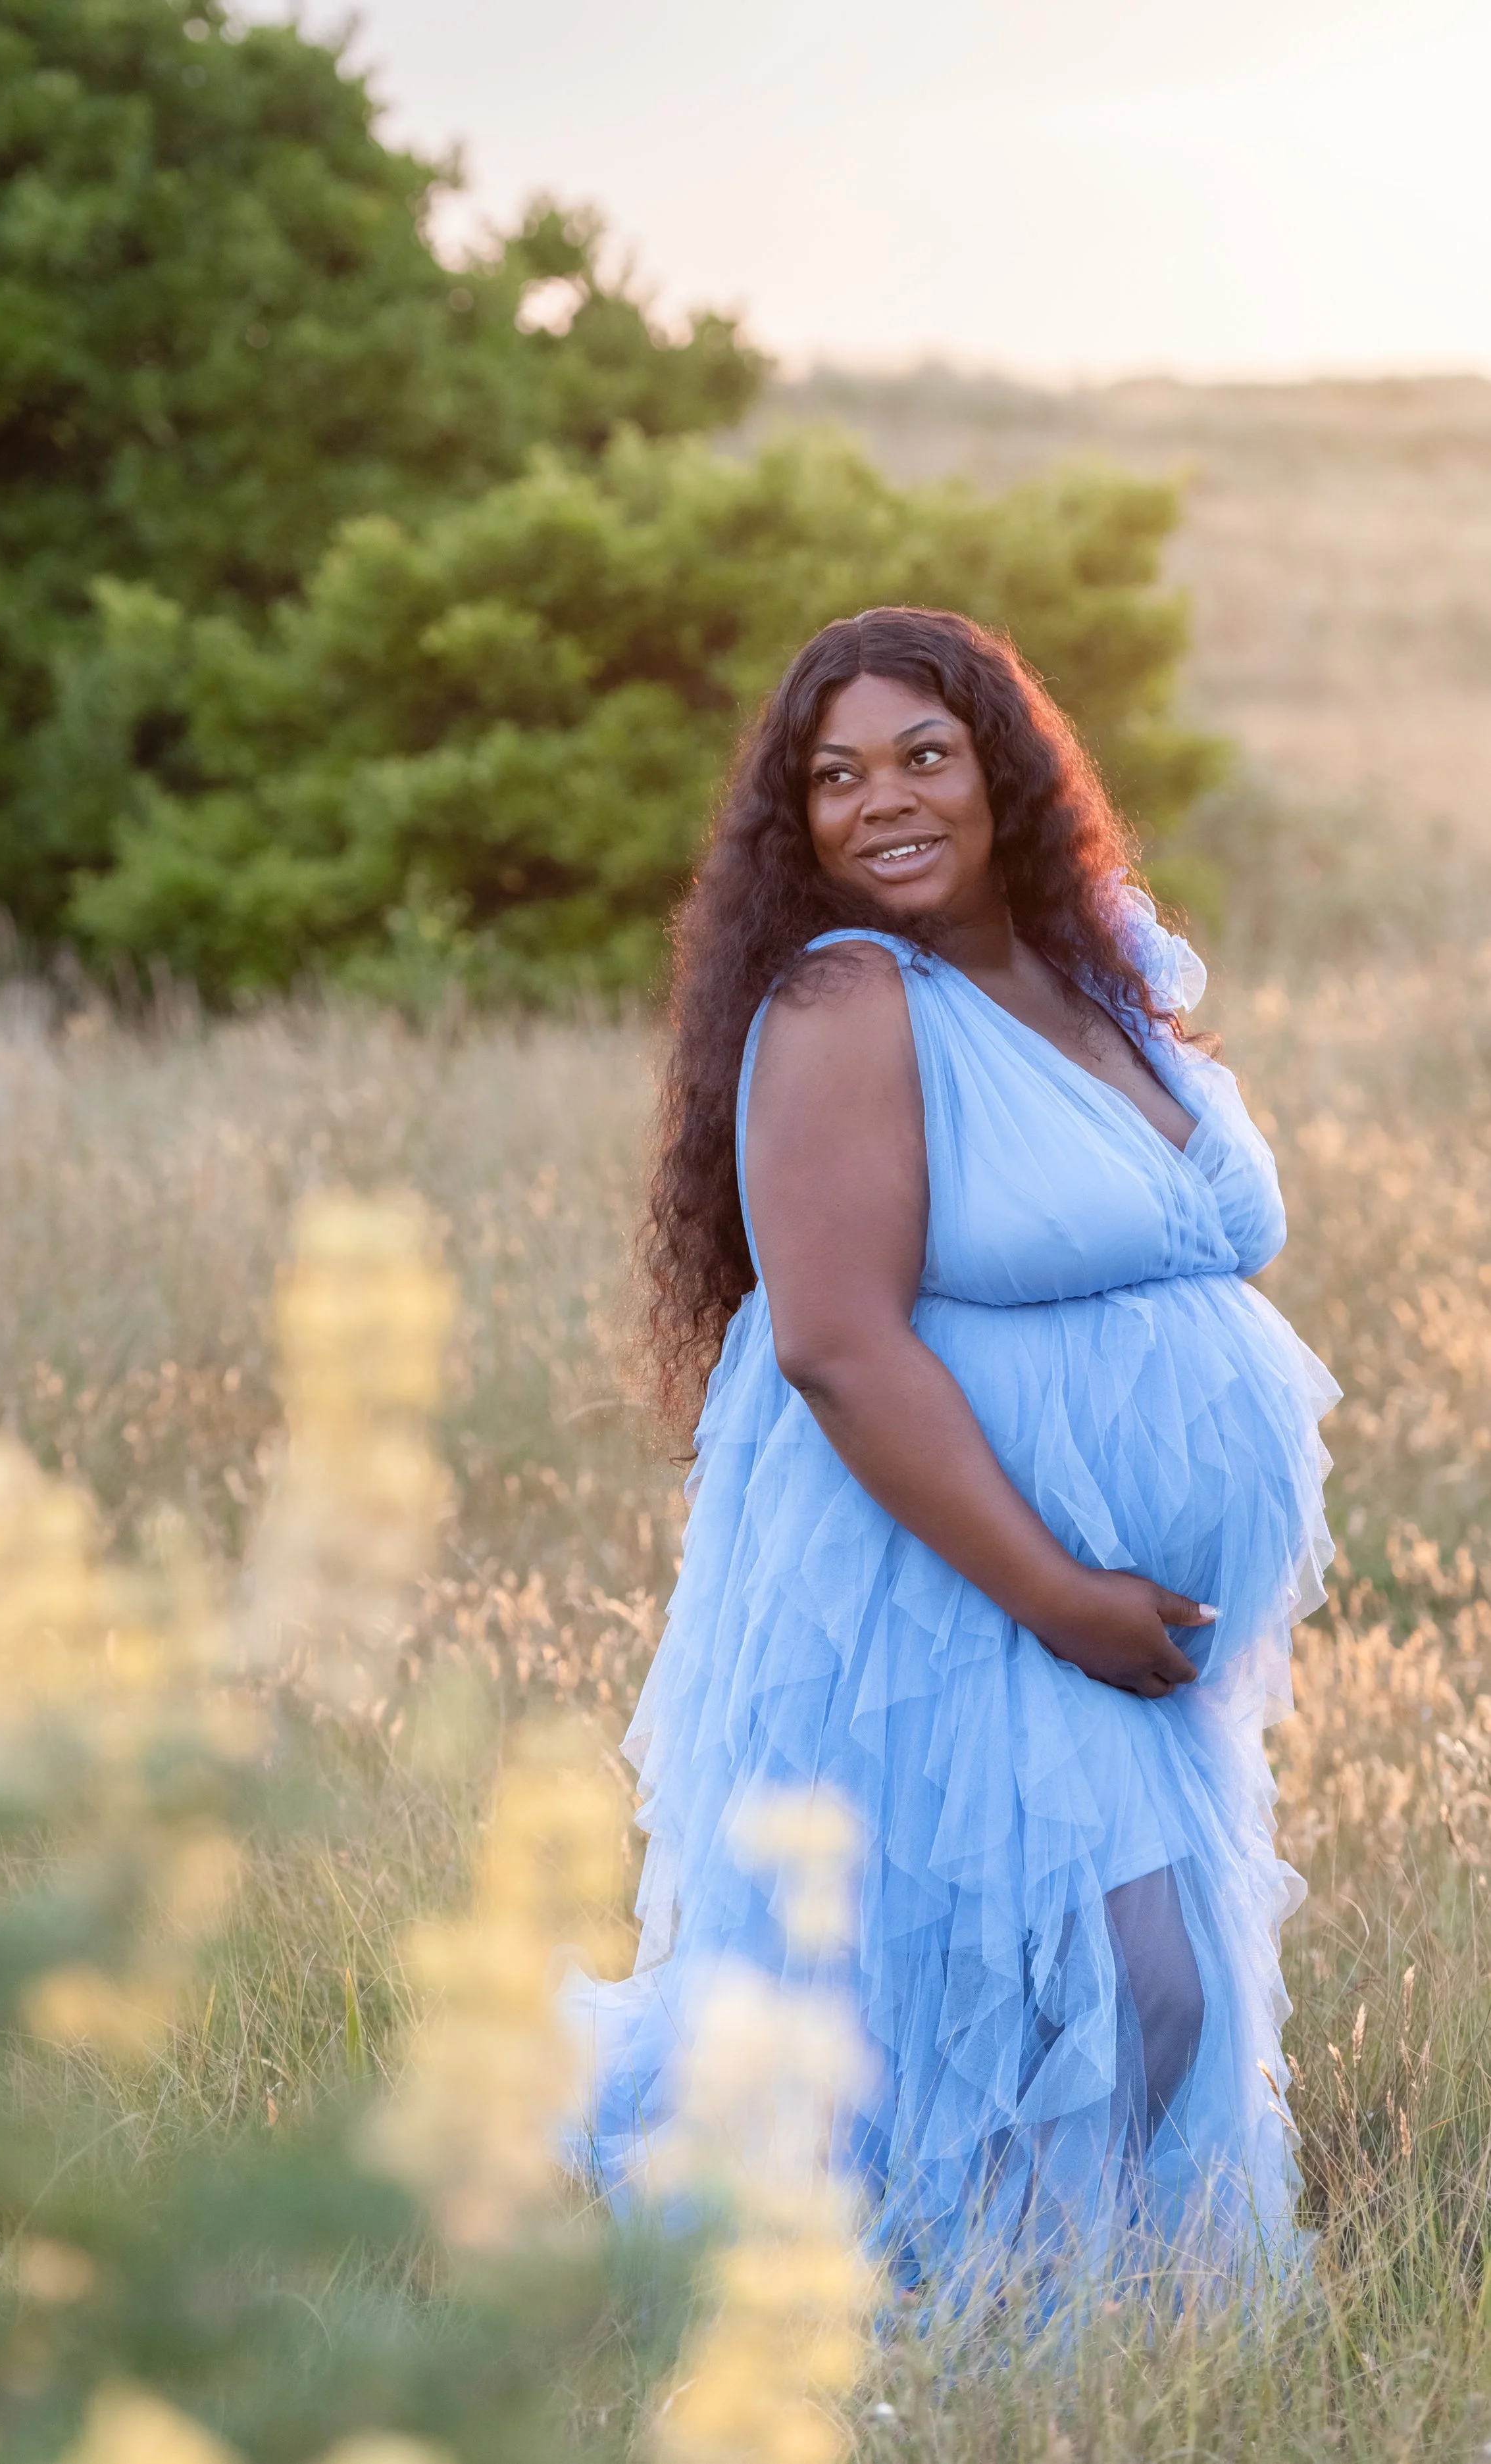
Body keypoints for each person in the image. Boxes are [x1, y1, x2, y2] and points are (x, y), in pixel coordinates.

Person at [569, 606, 1336, 2296]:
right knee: (1091, 1979)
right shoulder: (848, 1001)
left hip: (1107, 1618)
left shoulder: (1099, 971)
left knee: (1125, 1981)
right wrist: (1062, 1592)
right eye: (833, 777)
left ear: (1003, 764)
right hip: (945, 1585)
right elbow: (835, 1345)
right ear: (799, 820)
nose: (883, 800)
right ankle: (959, 2326)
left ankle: (1112, 2333)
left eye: (922, 753)